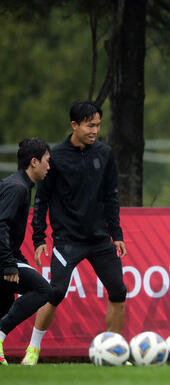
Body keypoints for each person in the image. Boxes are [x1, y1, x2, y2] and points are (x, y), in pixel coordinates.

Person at [23, 101, 128, 366]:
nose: (95, 130)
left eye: (98, 125)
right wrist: (39, 237)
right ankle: (33, 350)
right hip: (67, 240)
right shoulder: (55, 156)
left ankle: (113, 351)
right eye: (90, 125)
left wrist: (116, 233)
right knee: (55, 291)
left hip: (100, 239)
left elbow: (111, 196)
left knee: (118, 290)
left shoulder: (104, 154)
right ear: (74, 125)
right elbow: (42, 200)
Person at [0, 139, 53, 365]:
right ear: (34, 162)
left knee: (4, 306)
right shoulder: (18, 188)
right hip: (2, 261)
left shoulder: (19, 185)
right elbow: (1, 224)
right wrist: (8, 264)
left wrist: (16, 259)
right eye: (47, 161)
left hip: (7, 257)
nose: (49, 167)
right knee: (43, 289)